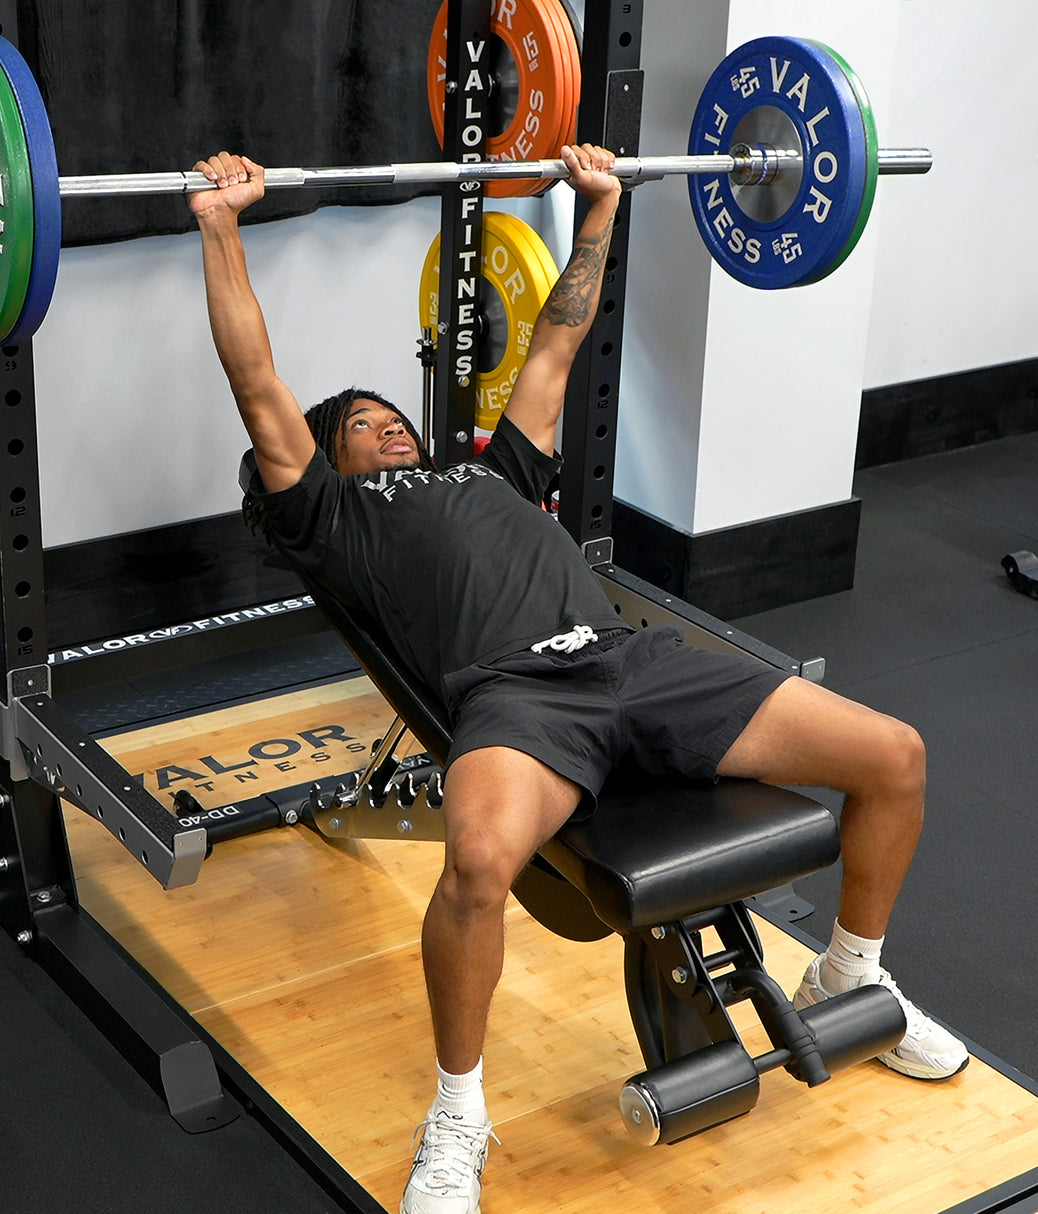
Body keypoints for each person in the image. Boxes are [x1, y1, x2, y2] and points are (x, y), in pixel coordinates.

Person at [189, 145, 968, 1214]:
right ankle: (456, 1118)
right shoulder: (328, 517)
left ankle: (847, 971)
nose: (388, 424)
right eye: (361, 425)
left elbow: (556, 340)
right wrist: (220, 225)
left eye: (393, 414)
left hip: (632, 661)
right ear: (330, 458)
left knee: (893, 754)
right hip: (513, 698)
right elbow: (254, 379)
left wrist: (598, 205)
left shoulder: (491, 465)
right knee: (474, 861)